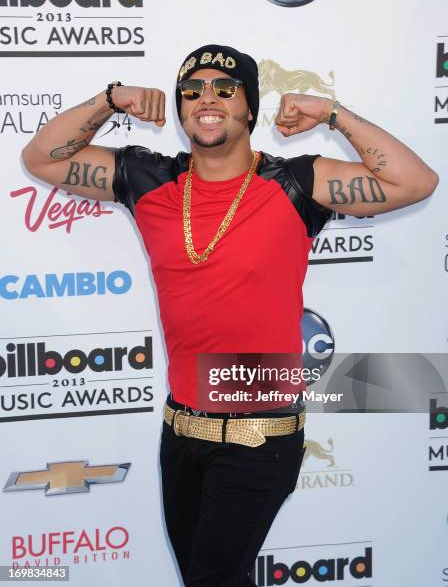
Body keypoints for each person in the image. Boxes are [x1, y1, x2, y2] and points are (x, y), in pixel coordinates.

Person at [21, 44, 438, 587]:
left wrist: (334, 115)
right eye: (191, 91)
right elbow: (42, 158)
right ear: (179, 109)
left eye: (225, 88)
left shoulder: (295, 184)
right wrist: (109, 100)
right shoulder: (148, 179)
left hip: (259, 438)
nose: (206, 99)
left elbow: (415, 181)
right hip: (181, 433)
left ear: (249, 107)